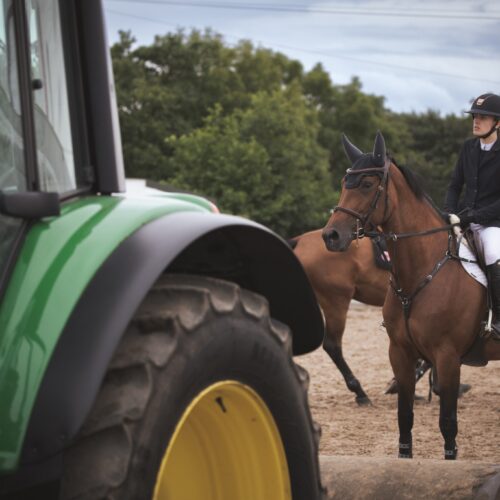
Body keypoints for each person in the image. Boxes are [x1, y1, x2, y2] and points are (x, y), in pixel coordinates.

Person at [444, 92, 500, 337]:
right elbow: (455, 185)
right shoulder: (468, 147)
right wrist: (448, 212)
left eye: (483, 117)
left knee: (492, 253)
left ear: (497, 122)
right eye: (475, 116)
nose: (476, 121)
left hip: (493, 224)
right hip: (463, 219)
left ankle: (498, 317)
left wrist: (470, 217)